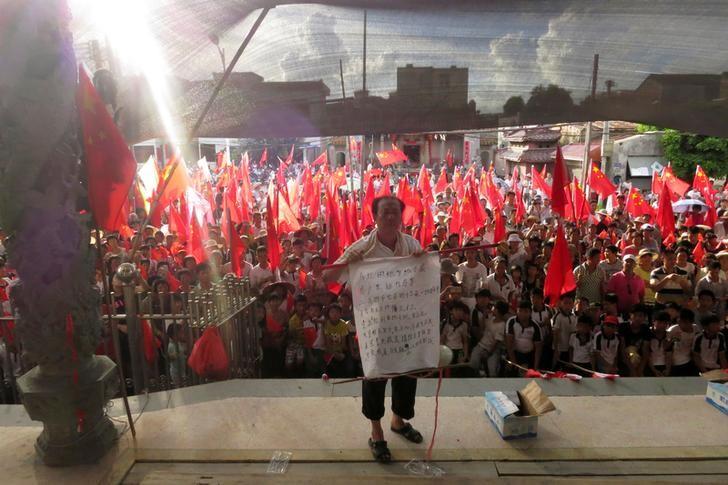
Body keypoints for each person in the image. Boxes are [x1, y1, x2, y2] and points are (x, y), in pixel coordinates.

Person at [325, 195, 426, 464]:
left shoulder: (411, 244)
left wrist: (422, 260)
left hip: (405, 323)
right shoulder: (362, 248)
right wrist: (347, 262)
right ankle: (376, 431)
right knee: (375, 377)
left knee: (406, 373)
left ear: (402, 217)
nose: (391, 217)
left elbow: (426, 277)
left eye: (395, 212)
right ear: (375, 217)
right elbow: (329, 278)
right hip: (375, 326)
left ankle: (398, 421)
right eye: (385, 213)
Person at [470, 300, 508, 377]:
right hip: (481, 345)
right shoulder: (490, 318)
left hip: (493, 350)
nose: (492, 309)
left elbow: (497, 341)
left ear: (497, 310)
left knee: (492, 371)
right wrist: (484, 316)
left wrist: (489, 353)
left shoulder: (502, 325)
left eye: (494, 308)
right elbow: (482, 328)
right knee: (473, 362)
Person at [505, 300, 543, 373]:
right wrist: (514, 364)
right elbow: (509, 345)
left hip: (529, 356)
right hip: (515, 354)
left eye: (526, 311)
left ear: (530, 312)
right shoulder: (511, 322)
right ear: (517, 311)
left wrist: (535, 368)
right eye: (520, 311)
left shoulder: (535, 326)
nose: (522, 314)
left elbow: (538, 348)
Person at [440, 300, 470, 375]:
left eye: (461, 310)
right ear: (451, 311)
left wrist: (465, 354)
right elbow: (442, 341)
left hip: (459, 350)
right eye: (456, 310)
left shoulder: (464, 325)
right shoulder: (445, 324)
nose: (459, 313)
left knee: (460, 370)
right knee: (447, 371)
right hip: (448, 350)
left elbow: (465, 341)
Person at [668, 308, 699, 376]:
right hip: (676, 362)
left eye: (685, 322)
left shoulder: (695, 328)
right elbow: (665, 346)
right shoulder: (673, 330)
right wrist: (672, 340)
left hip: (690, 360)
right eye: (679, 321)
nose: (681, 324)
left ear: (691, 322)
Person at [551, 293, 577, 369]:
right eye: (565, 303)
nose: (567, 306)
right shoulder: (557, 317)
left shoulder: (574, 317)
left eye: (570, 303)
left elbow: (573, 334)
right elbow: (555, 334)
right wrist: (556, 350)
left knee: (567, 370)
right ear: (560, 303)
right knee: (556, 368)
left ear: (573, 305)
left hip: (569, 349)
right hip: (559, 349)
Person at [646, 312, 673, 377]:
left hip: (664, 366)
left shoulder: (669, 335)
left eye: (665, 323)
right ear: (654, 322)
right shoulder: (647, 334)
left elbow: (669, 354)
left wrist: (667, 369)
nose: (662, 325)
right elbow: (647, 355)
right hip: (649, 367)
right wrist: (654, 370)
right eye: (660, 323)